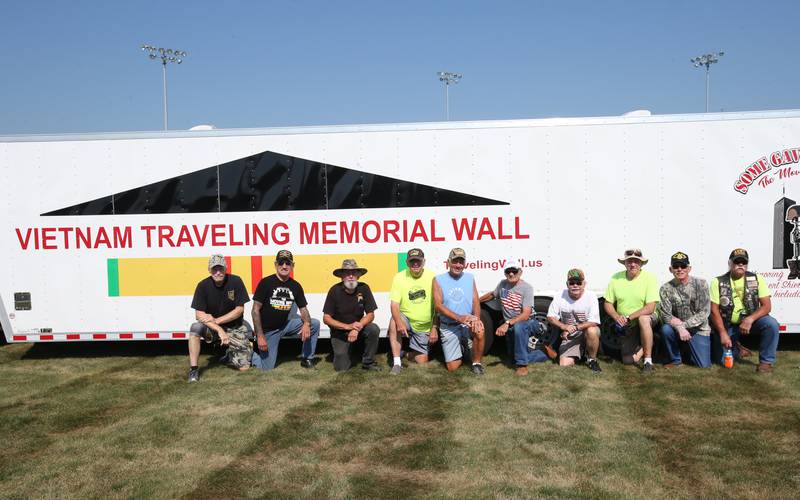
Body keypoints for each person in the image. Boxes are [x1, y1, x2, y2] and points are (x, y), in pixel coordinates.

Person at [479, 256, 554, 376]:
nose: (511, 273)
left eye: (514, 270)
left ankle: (522, 365)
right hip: (512, 325)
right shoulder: (503, 284)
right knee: (512, 358)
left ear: (520, 271)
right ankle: (542, 353)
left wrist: (506, 323)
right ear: (505, 273)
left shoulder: (527, 288)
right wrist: (477, 301)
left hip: (529, 322)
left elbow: (526, 314)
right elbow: (492, 295)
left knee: (519, 327)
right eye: (508, 271)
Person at [710, 248, 780, 373]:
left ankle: (766, 363)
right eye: (737, 262)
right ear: (730, 263)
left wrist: (750, 319)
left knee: (771, 324)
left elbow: (767, 306)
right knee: (721, 361)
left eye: (744, 262)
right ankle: (736, 348)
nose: (740, 265)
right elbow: (714, 310)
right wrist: (722, 332)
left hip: (749, 323)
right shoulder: (718, 281)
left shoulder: (757, 279)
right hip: (728, 324)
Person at [251, 250, 320, 371]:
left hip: (286, 325)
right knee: (267, 368)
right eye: (281, 262)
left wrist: (307, 323)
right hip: (269, 331)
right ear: (275, 264)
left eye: (288, 263)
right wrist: (260, 335)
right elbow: (255, 310)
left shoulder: (295, 286)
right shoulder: (265, 282)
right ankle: (245, 353)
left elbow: (303, 309)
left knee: (314, 323)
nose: (284, 266)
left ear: (292, 266)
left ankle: (307, 358)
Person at [187, 254, 252, 382]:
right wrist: (219, 329)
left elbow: (239, 310)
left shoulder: (236, 281)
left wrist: (216, 320)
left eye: (220, 269)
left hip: (235, 327)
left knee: (244, 368)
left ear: (225, 268)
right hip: (212, 329)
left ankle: (228, 355)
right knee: (195, 328)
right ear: (209, 270)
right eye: (214, 269)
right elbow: (199, 315)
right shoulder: (203, 285)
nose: (218, 272)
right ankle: (193, 370)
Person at [603, 248, 660, 374]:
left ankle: (648, 361)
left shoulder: (649, 278)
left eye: (636, 261)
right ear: (625, 263)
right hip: (626, 322)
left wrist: (629, 317)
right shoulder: (615, 278)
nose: (633, 264)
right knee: (628, 361)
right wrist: (617, 317)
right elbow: (608, 304)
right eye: (629, 261)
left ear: (641, 264)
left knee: (643, 319)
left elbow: (650, 307)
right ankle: (651, 342)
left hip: (647, 316)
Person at [432, 248, 485, 374]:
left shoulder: (470, 278)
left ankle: (477, 363)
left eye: (461, 262)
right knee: (452, 367)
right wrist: (459, 318)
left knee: (480, 329)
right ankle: (464, 350)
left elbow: (475, 301)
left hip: (467, 323)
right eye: (455, 261)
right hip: (449, 326)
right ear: (449, 262)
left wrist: (476, 319)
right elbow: (438, 306)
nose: (458, 265)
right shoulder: (438, 279)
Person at [322, 259, 381, 372]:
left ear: (358, 276)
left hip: (358, 328)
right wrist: (348, 327)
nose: (350, 276)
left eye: (354, 273)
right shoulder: (334, 290)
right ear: (342, 276)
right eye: (347, 273)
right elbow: (326, 318)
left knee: (373, 329)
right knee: (341, 368)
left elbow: (370, 314)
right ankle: (347, 350)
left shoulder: (364, 288)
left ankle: (368, 362)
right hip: (339, 332)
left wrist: (357, 327)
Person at [388, 248, 437, 375]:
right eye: (412, 261)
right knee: (394, 320)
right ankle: (397, 363)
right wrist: (399, 322)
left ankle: (406, 353)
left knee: (421, 360)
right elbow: (394, 304)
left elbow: (438, 305)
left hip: (424, 325)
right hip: (406, 319)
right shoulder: (399, 277)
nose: (415, 264)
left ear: (424, 262)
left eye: (418, 261)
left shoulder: (432, 277)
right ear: (407, 262)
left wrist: (434, 327)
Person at [658, 252, 712, 368]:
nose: (679, 269)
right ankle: (675, 360)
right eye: (676, 266)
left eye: (683, 266)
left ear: (689, 268)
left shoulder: (701, 284)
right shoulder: (665, 288)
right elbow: (666, 315)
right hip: (677, 329)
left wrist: (683, 326)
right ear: (670, 269)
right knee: (665, 329)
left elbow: (704, 312)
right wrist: (679, 328)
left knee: (703, 365)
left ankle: (687, 351)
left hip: (699, 328)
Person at [546, 269, 602, 372]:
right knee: (564, 364)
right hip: (571, 336)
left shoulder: (591, 296)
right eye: (571, 283)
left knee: (592, 330)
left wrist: (575, 328)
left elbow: (594, 321)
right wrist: (564, 327)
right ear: (567, 284)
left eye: (578, 282)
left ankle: (592, 360)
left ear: (584, 284)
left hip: (586, 332)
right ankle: (583, 353)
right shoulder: (559, 295)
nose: (575, 285)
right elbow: (550, 317)